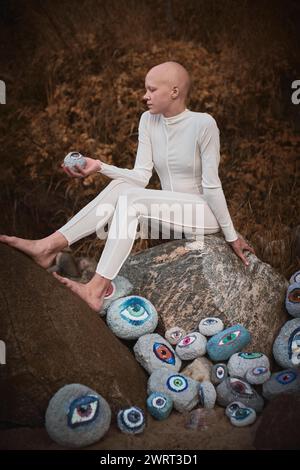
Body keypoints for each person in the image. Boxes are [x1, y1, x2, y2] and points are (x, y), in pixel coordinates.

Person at [0, 61, 255, 312]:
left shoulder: (203, 124)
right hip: (169, 213)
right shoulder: (149, 120)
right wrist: (99, 166)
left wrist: (231, 236)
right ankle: (49, 246)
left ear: (174, 92)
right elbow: (140, 176)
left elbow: (212, 187)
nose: (145, 96)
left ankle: (95, 290)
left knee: (131, 199)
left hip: (203, 213)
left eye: (152, 90)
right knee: (123, 187)